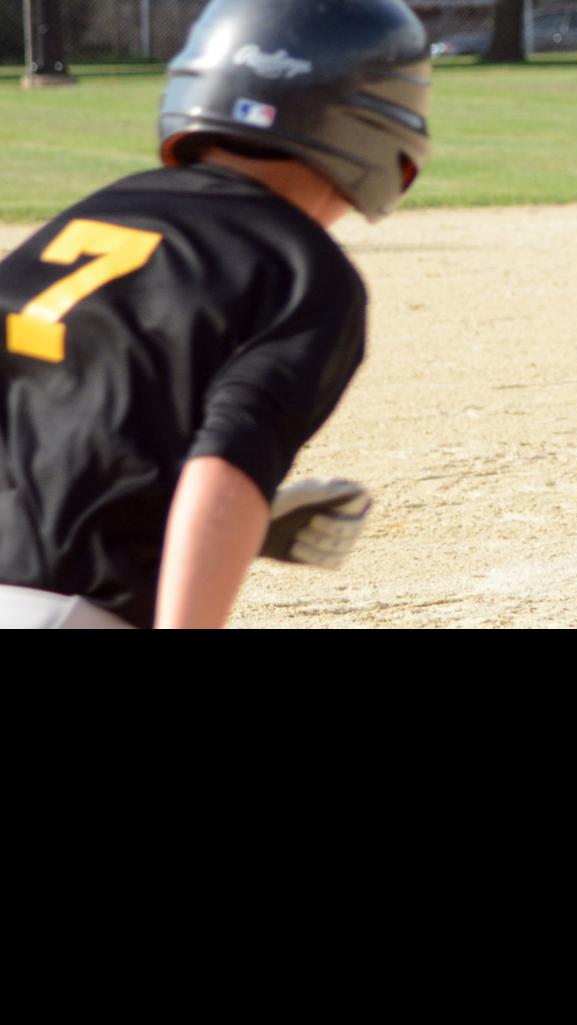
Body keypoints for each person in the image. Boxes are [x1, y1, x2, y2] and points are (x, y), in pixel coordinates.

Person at [0, 0, 432, 629]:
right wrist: (229, 508)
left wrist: (182, 515)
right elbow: (223, 467)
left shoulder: (100, 211)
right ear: (375, 124)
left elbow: (54, 421)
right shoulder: (301, 270)